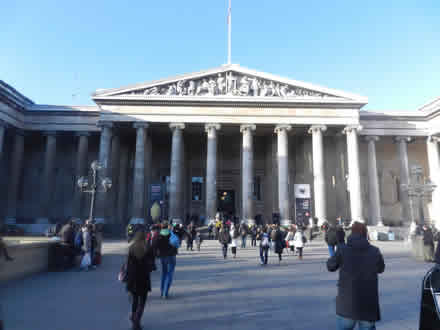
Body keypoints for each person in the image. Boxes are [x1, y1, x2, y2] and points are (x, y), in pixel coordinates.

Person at [327, 222, 385, 330]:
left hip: (347, 304)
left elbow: (330, 266)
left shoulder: (343, 249)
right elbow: (381, 269)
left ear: (351, 233)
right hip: (368, 304)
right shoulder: (375, 251)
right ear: (365, 233)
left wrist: (340, 245)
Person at [126, 231, 155, 330]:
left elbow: (128, 265)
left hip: (133, 278)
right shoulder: (148, 248)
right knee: (142, 302)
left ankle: (134, 320)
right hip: (144, 278)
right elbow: (152, 265)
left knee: (134, 300)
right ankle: (136, 320)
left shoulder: (131, 247)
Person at [156, 222, 178, 299]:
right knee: (169, 274)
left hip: (163, 256)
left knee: (164, 273)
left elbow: (156, 245)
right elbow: (177, 244)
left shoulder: (159, 235)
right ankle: (165, 292)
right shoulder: (172, 234)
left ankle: (162, 292)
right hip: (171, 256)